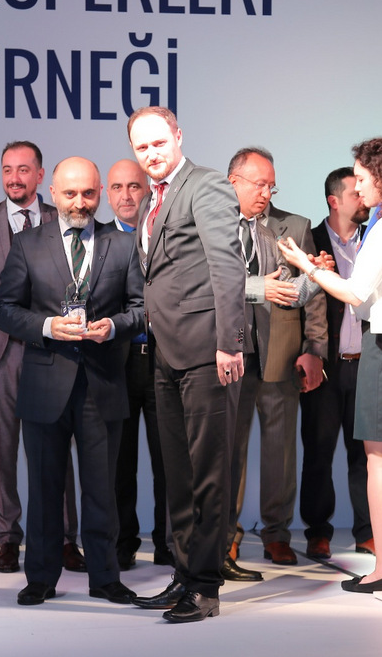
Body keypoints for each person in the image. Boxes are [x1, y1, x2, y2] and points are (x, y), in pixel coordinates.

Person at [278, 137, 382, 594]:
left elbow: (355, 294)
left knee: (378, 460)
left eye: (363, 179)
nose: (358, 188)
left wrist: (306, 265)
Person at [0, 156, 144, 606]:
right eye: (71, 193)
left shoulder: (123, 245)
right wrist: (46, 326)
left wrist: (112, 327)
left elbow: (141, 310)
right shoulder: (27, 244)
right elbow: (4, 309)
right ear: (53, 193)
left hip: (102, 384)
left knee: (102, 491)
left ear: (100, 194)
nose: (80, 203)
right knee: (44, 490)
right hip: (45, 385)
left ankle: (105, 577)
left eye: (89, 193)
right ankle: (40, 577)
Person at [127, 106, 246, 623]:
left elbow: (227, 265)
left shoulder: (206, 184)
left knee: (209, 474)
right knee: (176, 474)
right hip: (165, 351)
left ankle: (205, 587)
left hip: (207, 353)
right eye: (141, 147)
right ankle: (184, 573)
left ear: (178, 135)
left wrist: (230, 342)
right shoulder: (150, 200)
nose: (151, 153)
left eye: (159, 142)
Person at [0, 141, 85, 574]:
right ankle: (8, 539)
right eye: (7, 169)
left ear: (40, 175)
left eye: (23, 170)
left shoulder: (60, 216)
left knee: (56, 449)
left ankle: (65, 538)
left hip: (51, 352)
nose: (14, 178)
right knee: (2, 450)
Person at [224, 147, 326, 573]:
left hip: (281, 354)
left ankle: (277, 534)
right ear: (233, 182)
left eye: (272, 186)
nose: (266, 193)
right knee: (228, 451)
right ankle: (225, 537)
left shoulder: (295, 227)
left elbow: (312, 295)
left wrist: (315, 349)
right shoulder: (212, 226)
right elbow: (207, 282)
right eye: (258, 184)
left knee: (280, 451)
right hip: (228, 353)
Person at [299, 167, 373, 560]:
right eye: (355, 193)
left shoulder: (376, 239)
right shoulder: (309, 241)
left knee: (366, 453)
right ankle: (318, 531)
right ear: (334, 201)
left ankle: (368, 531)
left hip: (369, 363)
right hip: (325, 366)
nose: (363, 198)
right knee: (318, 451)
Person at [105, 158, 173, 570]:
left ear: (149, 190)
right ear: (107, 194)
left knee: (169, 461)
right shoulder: (99, 242)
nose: (127, 195)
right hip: (118, 364)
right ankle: (123, 542)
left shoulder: (165, 233)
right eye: (117, 187)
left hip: (165, 359)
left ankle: (169, 544)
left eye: (134, 186)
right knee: (119, 462)